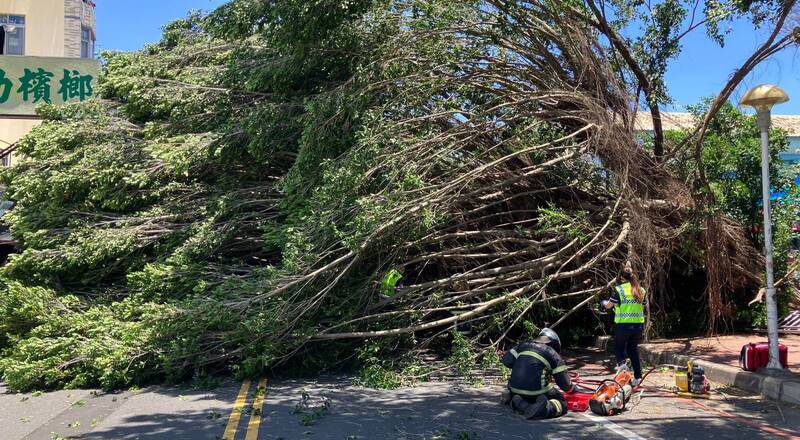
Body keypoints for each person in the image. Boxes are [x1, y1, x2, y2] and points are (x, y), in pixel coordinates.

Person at [499, 328, 576, 419]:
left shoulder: (522, 346)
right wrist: (573, 388)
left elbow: (506, 361)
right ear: (553, 344)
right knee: (562, 402)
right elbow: (564, 384)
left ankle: (519, 403)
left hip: (514, 389)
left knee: (519, 395)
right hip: (538, 392)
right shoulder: (552, 353)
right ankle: (544, 409)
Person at [601, 266, 645, 386]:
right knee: (632, 350)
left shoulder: (620, 290)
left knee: (618, 348)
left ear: (621, 277)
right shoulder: (641, 290)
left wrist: (603, 303)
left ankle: (622, 365)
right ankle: (637, 378)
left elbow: (609, 306)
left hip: (624, 325)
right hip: (638, 326)